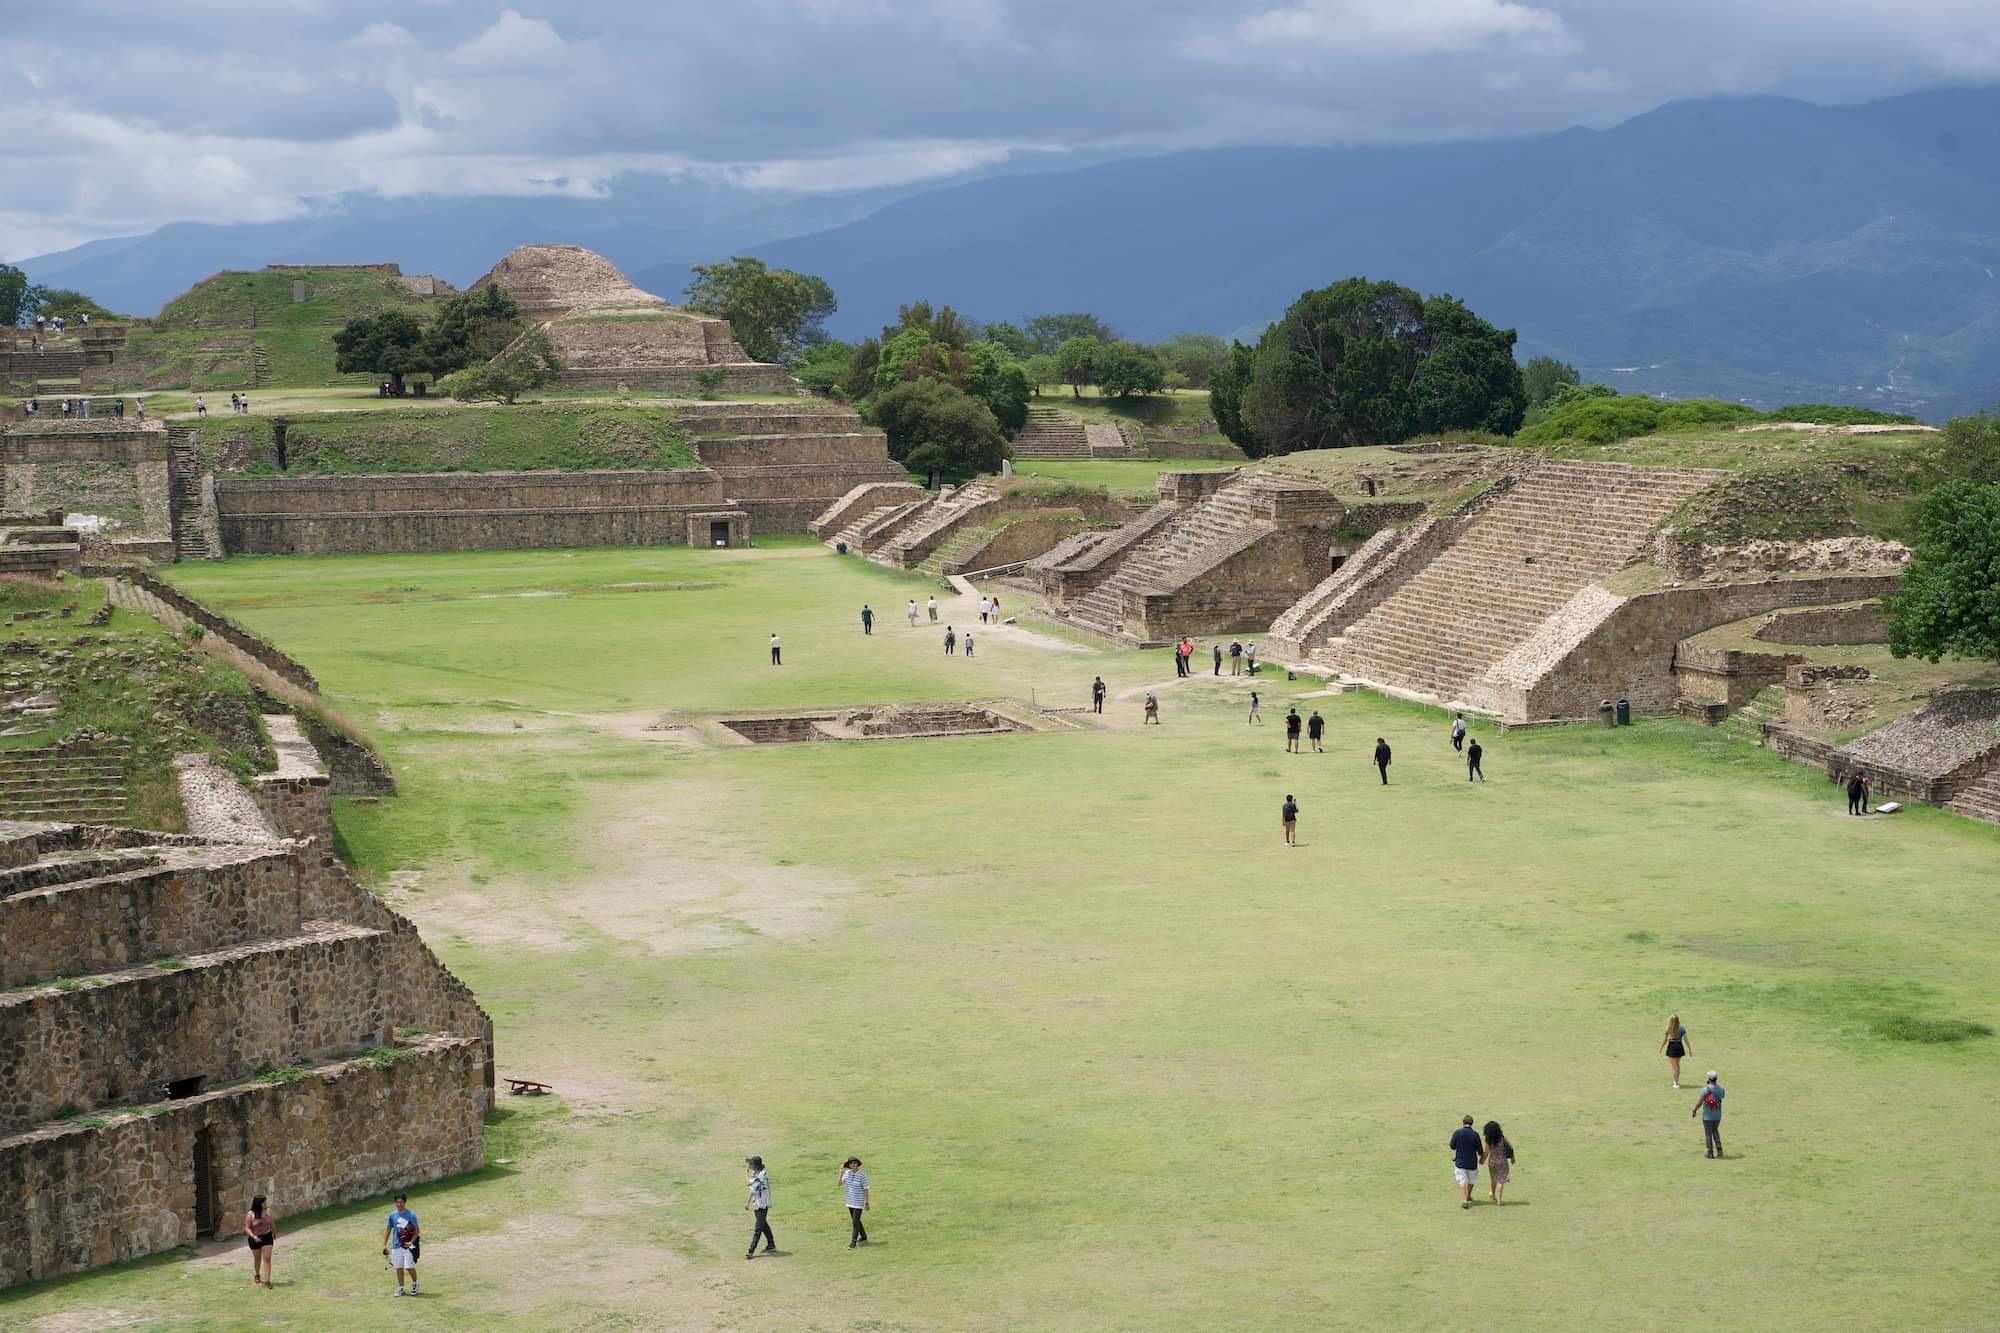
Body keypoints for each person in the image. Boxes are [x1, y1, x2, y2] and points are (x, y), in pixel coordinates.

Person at [382, 1192, 420, 1295]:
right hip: (396, 1246)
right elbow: (388, 1230)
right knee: (398, 1267)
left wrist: (411, 1242)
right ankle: (401, 1288)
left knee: (409, 1266)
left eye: (401, 1202)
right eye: (397, 1202)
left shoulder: (411, 1215)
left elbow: (417, 1231)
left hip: (408, 1246)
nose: (399, 1204)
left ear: (405, 1202)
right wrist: (384, 1245)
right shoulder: (392, 1215)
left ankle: (415, 1283)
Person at [1449, 1115, 1485, 1209]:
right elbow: (1480, 1151)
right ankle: (1468, 1196)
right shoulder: (1475, 1134)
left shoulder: (1457, 1133)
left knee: (1462, 1180)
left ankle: (1464, 1199)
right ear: (1472, 1123)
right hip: (1472, 1162)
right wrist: (1482, 1158)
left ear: (1463, 1122)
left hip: (1460, 1161)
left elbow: (1452, 1146)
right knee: (1471, 1181)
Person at [745, 1156, 776, 1257]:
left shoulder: (762, 1175)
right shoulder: (755, 1174)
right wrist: (747, 1202)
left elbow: (748, 1184)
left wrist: (746, 1173)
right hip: (757, 1204)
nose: (749, 1165)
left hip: (763, 1204)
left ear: (754, 1165)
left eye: (750, 1164)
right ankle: (771, 1245)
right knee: (763, 1225)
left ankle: (751, 1250)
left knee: (758, 1229)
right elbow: (753, 1189)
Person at [1691, 1071, 1726, 1158]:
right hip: (1718, 1115)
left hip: (1707, 1116)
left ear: (1708, 1079)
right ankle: (1719, 1149)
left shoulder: (1705, 1089)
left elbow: (1699, 1102)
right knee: (1715, 1130)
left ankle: (1710, 1152)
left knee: (1708, 1133)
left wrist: (1694, 1110)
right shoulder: (1721, 1089)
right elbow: (1722, 1096)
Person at [245, 1195, 275, 1288]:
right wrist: (254, 1236)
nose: (266, 1204)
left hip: (267, 1236)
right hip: (255, 1239)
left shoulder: (268, 1211)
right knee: (257, 1259)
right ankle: (257, 1274)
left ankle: (267, 1280)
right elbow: (247, 1228)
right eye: (264, 1202)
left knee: (267, 1258)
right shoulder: (250, 1214)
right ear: (259, 1203)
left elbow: (271, 1223)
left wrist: (274, 1233)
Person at [840, 1157, 871, 1248]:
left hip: (858, 1202)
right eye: (851, 1163)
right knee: (856, 1221)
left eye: (854, 1163)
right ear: (849, 1165)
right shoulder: (847, 1173)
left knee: (855, 1221)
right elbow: (839, 1183)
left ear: (857, 1164)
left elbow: (866, 1189)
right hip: (850, 1201)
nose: (853, 1165)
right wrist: (841, 1173)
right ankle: (864, 1236)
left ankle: (853, 1242)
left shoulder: (862, 1175)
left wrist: (866, 1203)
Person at [1482, 1122, 1515, 1205]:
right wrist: (1512, 1158)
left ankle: (1493, 1195)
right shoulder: (1502, 1138)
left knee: (1493, 1179)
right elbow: (1510, 1148)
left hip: (1492, 1162)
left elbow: (1486, 1152)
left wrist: (1481, 1160)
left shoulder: (1488, 1140)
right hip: (1502, 1162)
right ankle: (1499, 1200)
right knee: (1500, 1181)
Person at [1662, 1014, 1691, 1088]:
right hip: (1679, 1046)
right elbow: (1686, 1040)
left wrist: (1661, 1047)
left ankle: (1676, 1083)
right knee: (1677, 1065)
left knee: (1674, 1067)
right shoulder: (1682, 1029)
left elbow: (1665, 1040)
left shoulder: (1668, 1029)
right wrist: (1689, 1049)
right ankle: (1677, 1081)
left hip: (1672, 1046)